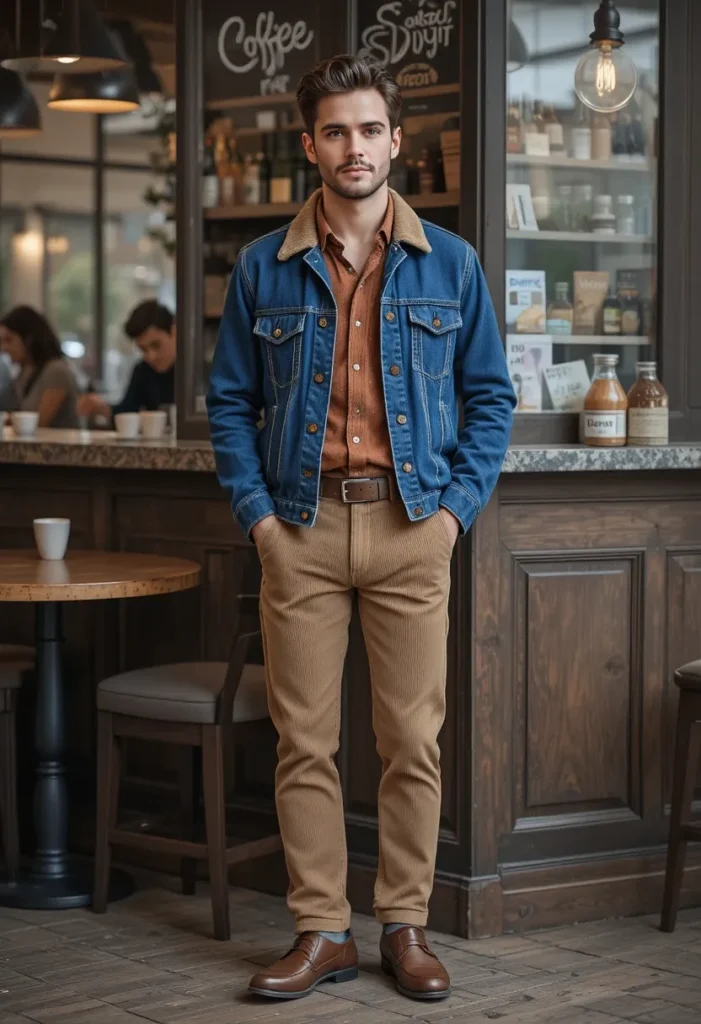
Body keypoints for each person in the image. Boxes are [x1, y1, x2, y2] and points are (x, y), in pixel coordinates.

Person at [207, 55, 516, 1002]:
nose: (354, 147)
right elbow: (227, 404)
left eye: (369, 129)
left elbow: (490, 401)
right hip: (298, 530)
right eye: (334, 131)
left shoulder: (450, 264)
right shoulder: (263, 265)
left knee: (410, 742)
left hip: (410, 526)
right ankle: (320, 931)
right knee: (303, 742)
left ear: (395, 141)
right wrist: (261, 520)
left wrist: (452, 518)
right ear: (310, 145)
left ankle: (405, 928)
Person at [77, 300, 175, 421]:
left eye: (156, 345)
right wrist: (100, 407)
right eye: (143, 349)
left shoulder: (196, 371)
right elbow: (127, 412)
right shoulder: (143, 370)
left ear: (174, 332)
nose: (151, 356)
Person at [0, 306, 78, 428]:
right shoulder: (24, 373)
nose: (4, 348)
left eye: (9, 340)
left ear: (28, 339)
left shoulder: (56, 371)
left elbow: (39, 423)